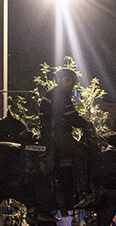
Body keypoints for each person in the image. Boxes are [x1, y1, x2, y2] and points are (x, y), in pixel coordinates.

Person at [39, 68, 103, 209]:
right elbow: (72, 117)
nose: (70, 84)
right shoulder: (59, 96)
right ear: (60, 81)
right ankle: (84, 192)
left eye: (71, 81)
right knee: (81, 152)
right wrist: (87, 124)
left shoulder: (55, 94)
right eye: (67, 80)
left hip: (54, 134)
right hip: (57, 135)